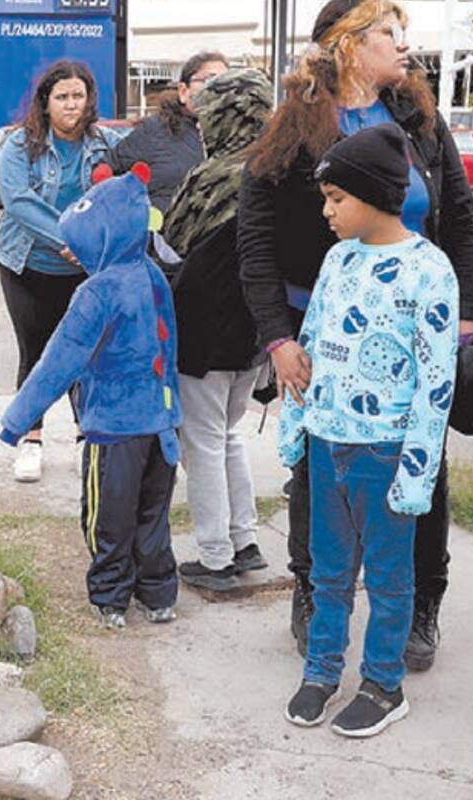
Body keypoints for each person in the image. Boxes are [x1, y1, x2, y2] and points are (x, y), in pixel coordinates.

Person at [238, 0, 473, 671]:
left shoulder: (418, 121)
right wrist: (277, 339)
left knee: (419, 461)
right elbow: (254, 237)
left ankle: (420, 602)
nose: (404, 47)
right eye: (388, 35)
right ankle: (316, 594)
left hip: (412, 330)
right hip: (316, 333)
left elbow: (459, 217)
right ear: (348, 45)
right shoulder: (294, 124)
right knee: (317, 469)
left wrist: (466, 321)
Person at [280, 124, 458, 738]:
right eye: (325, 198)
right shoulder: (338, 260)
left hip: (386, 453)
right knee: (327, 573)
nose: (326, 211)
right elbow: (311, 347)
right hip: (329, 444)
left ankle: (384, 683)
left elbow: (438, 382)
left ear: (377, 195)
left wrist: (417, 472)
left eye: (336, 199)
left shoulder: (430, 271)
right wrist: (295, 425)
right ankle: (322, 671)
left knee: (387, 578)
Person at [0, 165, 181, 629]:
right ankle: (159, 593)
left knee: (108, 517)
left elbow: (58, 362)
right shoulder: (152, 275)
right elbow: (169, 345)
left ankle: (111, 598)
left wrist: (18, 420)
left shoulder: (95, 292)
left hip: (112, 428)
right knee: (152, 514)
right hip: (160, 425)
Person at [161, 68, 273, 591]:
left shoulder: (211, 176)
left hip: (203, 331)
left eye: (208, 117)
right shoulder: (279, 169)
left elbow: (173, 245)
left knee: (201, 441)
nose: (202, 127)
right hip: (254, 335)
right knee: (229, 435)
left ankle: (213, 556)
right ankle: (244, 540)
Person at [0, 60, 123, 484]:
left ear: (89, 100)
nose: (71, 104)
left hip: (83, 270)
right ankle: (30, 441)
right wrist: (67, 238)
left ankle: (86, 438)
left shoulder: (105, 144)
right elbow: (18, 200)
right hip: (29, 265)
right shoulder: (20, 146)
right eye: (62, 97)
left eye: (78, 95)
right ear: (45, 103)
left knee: (86, 354)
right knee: (37, 354)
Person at [110, 51, 230, 214]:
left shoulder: (242, 136)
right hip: (162, 234)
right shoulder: (154, 130)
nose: (218, 88)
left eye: (227, 82)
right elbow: (107, 170)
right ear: (183, 91)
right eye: (209, 79)